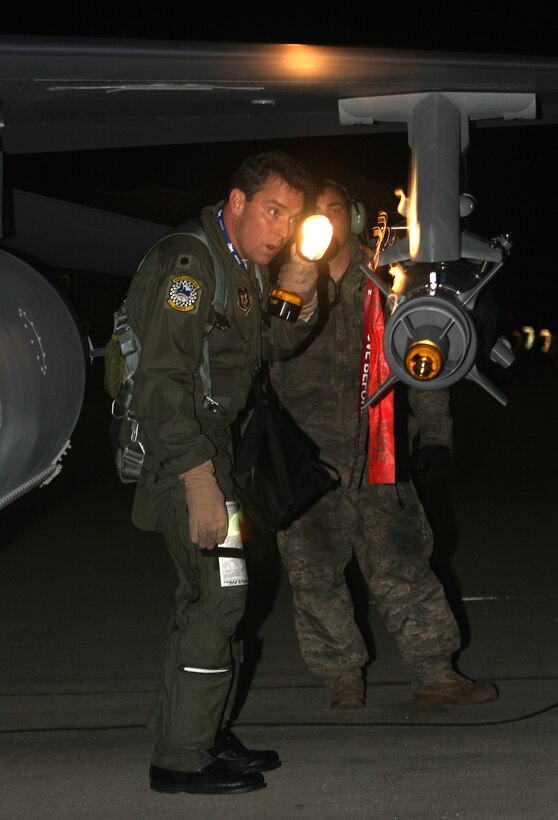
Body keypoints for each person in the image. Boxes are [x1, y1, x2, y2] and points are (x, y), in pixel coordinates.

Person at [124, 152, 319, 795]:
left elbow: (268, 345)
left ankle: (204, 730)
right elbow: (161, 383)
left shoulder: (243, 264)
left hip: (215, 454)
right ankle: (181, 758)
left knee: (221, 592)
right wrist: (198, 480)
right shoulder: (191, 264)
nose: (281, 230)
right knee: (219, 593)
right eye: (272, 211)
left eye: (290, 218)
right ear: (236, 201)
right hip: (180, 456)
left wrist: (301, 291)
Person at [270, 178, 499, 710]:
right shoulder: (284, 289)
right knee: (314, 576)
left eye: (332, 209)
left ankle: (435, 673)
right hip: (307, 462)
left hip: (379, 453)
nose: (323, 221)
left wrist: (436, 433)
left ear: (353, 217)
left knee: (403, 564)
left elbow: (424, 358)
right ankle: (341, 679)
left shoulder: (387, 282)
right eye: (312, 213)